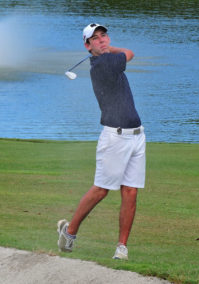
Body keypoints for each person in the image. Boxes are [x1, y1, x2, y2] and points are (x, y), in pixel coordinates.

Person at [57, 23, 146, 260]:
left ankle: (121, 248)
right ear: (87, 46)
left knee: (130, 193)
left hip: (137, 134)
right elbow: (129, 53)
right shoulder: (104, 64)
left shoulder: (103, 59)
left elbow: (122, 54)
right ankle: (70, 232)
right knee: (100, 190)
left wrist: (104, 48)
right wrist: (108, 50)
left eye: (104, 36)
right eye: (95, 39)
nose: (102, 40)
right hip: (115, 138)